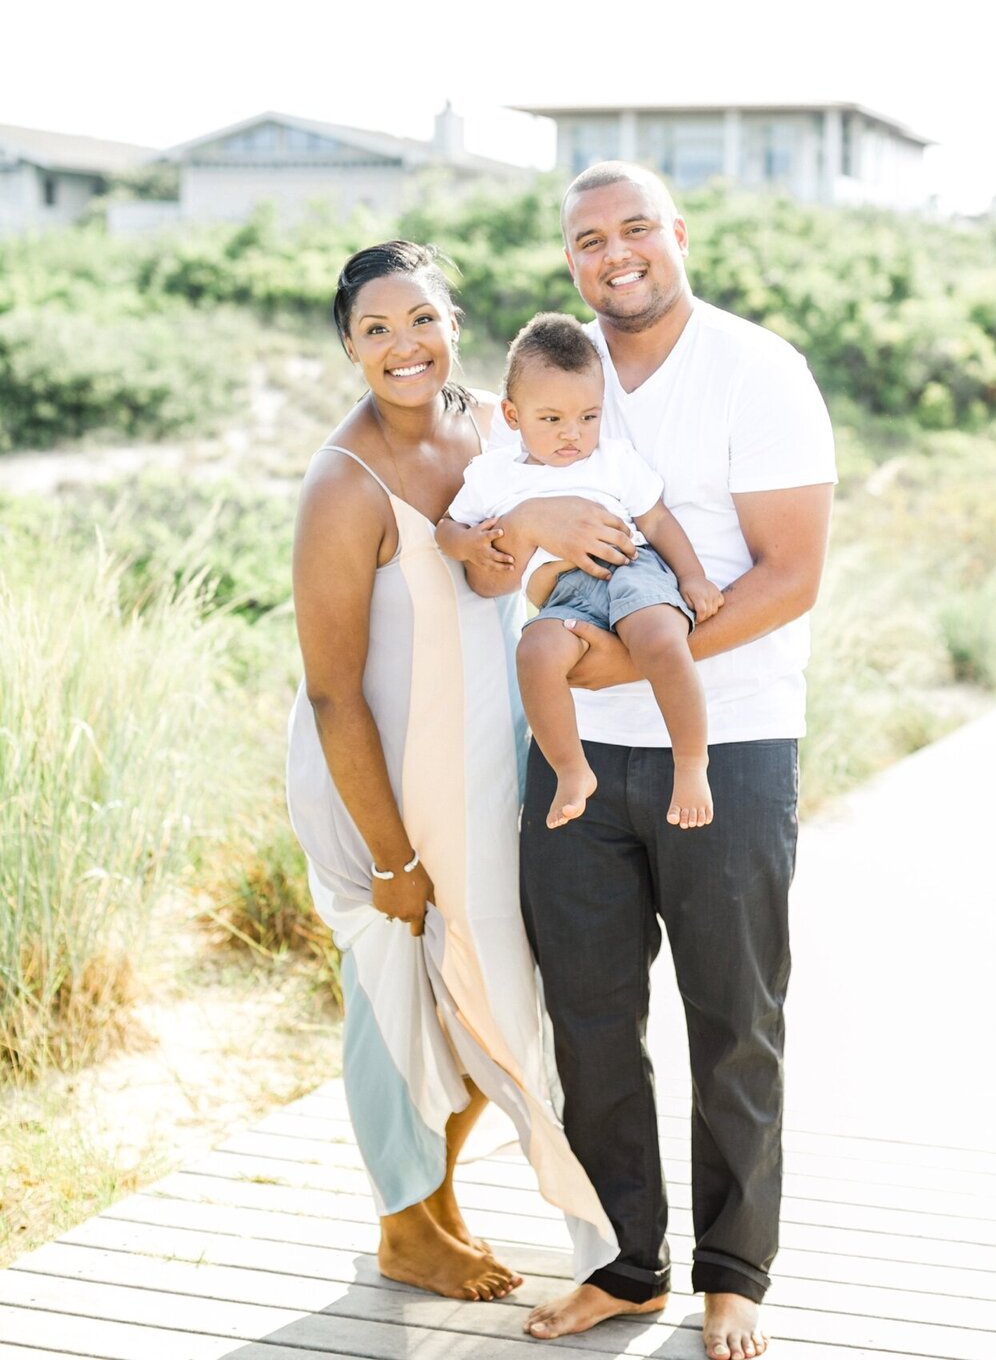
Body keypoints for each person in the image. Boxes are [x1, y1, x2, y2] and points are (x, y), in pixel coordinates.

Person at [467, 165, 836, 1360]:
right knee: (589, 1019)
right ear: (570, 258)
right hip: (570, 761)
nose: (614, 252)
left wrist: (628, 669)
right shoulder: (547, 381)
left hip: (724, 744)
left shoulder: (758, 370)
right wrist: (525, 542)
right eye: (589, 238)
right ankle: (627, 1267)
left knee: (734, 1017)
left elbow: (789, 574)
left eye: (635, 229)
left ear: (676, 235)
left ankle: (736, 1275)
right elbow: (485, 554)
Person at [285, 238, 616, 1304]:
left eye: (419, 319)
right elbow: (335, 692)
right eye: (375, 329)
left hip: (481, 755)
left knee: (480, 987)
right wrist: (389, 855)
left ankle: (439, 1204)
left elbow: (501, 570)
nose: (403, 345)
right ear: (349, 348)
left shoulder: (487, 426)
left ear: (453, 325)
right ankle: (403, 1228)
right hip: (376, 780)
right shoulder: (343, 485)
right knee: (395, 991)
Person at [436, 310, 723, 831]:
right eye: (552, 420)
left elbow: (656, 519)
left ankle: (691, 763)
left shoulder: (613, 460)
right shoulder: (492, 476)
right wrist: (468, 542)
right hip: (563, 596)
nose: (573, 434)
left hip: (630, 568)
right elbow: (445, 529)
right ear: (512, 414)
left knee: (659, 636)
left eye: (588, 417)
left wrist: (694, 577)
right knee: (536, 652)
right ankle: (572, 770)